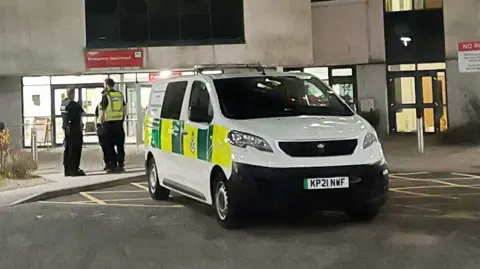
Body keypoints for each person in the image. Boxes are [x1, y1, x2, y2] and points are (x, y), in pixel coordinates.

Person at [98, 78, 127, 173]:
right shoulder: (120, 95)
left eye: (104, 84)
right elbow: (124, 108)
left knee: (109, 146)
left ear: (107, 85)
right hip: (118, 124)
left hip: (108, 124)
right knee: (120, 146)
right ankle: (121, 165)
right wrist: (122, 119)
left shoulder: (106, 96)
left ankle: (113, 165)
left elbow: (102, 111)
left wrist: (99, 122)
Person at [60, 88, 85, 177]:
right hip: (75, 129)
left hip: (66, 129)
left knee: (67, 149)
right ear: (73, 94)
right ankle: (74, 169)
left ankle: (67, 169)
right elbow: (82, 113)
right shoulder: (74, 104)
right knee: (75, 150)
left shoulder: (63, 103)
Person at [95, 91, 109, 171]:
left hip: (104, 126)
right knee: (105, 146)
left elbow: (97, 117)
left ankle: (108, 163)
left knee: (106, 147)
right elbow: (97, 116)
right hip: (103, 126)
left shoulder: (101, 105)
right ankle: (108, 163)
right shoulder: (99, 105)